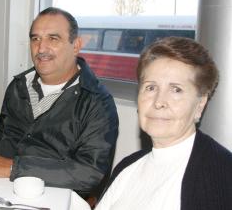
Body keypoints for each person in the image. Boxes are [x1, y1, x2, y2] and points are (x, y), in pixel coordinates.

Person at [0, 7, 119, 197]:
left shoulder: (97, 102)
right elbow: (1, 136)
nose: (41, 48)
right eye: (35, 38)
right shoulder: (18, 86)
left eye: (53, 39)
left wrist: (15, 168)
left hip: (55, 198)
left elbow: (90, 173)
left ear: (76, 45)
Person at [95, 37, 232, 210]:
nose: (159, 102)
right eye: (151, 87)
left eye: (176, 90)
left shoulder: (221, 176)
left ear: (200, 105)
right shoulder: (128, 166)